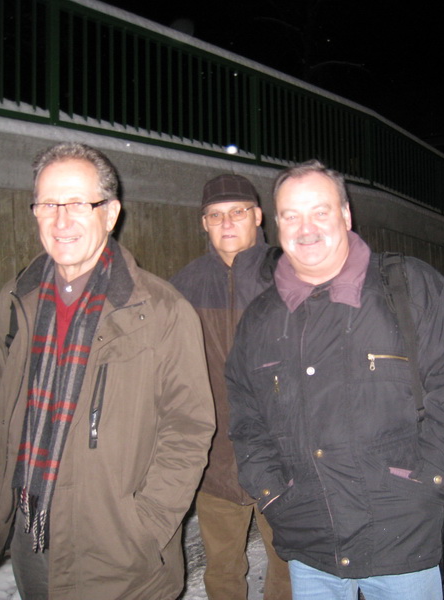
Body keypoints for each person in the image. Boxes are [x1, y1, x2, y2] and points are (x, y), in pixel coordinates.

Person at [0, 142, 215, 600]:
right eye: (48, 204)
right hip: (31, 534)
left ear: (111, 213)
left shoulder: (161, 311)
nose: (61, 221)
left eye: (79, 203)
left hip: (119, 554)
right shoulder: (16, 301)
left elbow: (189, 428)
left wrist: (145, 524)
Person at [225, 160, 444, 600]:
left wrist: (430, 480)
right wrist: (273, 494)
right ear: (276, 224)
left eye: (320, 212)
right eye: (291, 215)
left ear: (346, 215)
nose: (306, 228)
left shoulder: (409, 286)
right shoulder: (259, 319)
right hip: (311, 546)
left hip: (402, 540)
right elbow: (247, 418)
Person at [170, 174, 291, 600]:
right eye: (215, 215)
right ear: (203, 223)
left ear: (257, 216)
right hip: (214, 458)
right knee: (221, 570)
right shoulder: (181, 288)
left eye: (237, 212)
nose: (226, 223)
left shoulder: (291, 275)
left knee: (289, 564)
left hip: (283, 458)